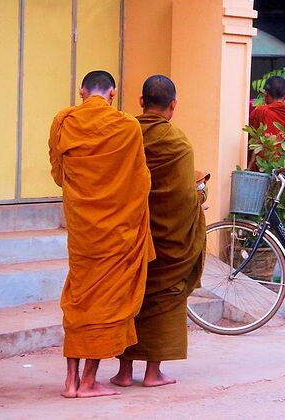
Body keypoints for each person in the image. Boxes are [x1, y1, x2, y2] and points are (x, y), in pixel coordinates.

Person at [48, 70, 155, 398]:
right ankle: (89, 381)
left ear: (82, 91)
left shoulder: (64, 122)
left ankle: (70, 381)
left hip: (82, 231)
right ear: (112, 93)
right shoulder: (127, 126)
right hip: (116, 231)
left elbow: (58, 173)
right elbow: (140, 179)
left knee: (79, 297)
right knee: (105, 301)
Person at [110, 75, 206, 388]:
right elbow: (182, 198)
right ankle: (153, 374)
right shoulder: (178, 143)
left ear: (141, 102)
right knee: (165, 300)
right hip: (168, 243)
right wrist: (200, 195)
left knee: (129, 299)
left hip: (130, 237)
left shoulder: (125, 135)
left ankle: (124, 373)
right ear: (173, 105)